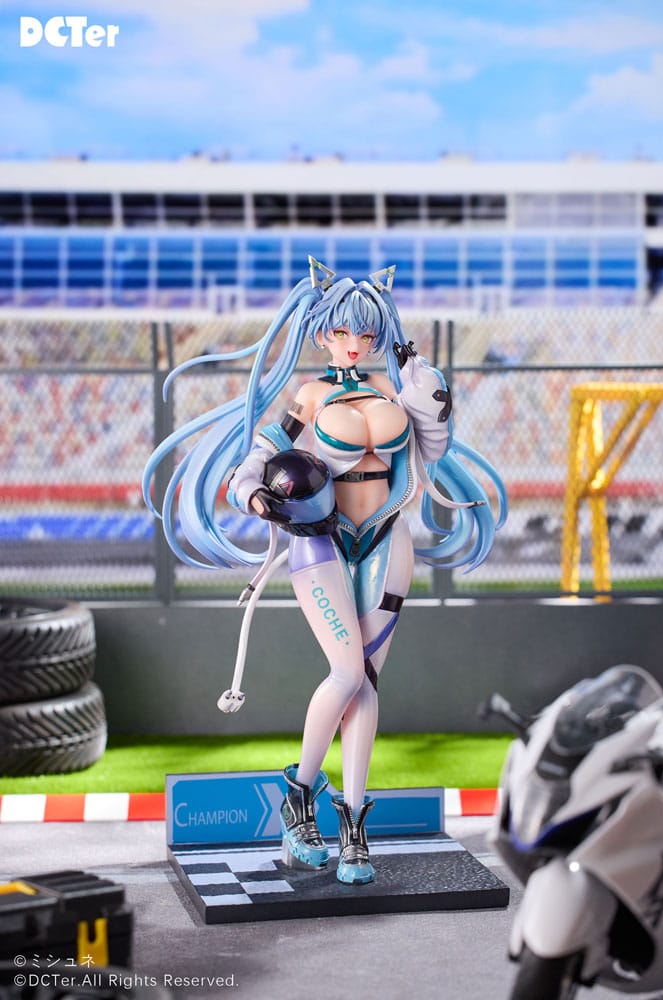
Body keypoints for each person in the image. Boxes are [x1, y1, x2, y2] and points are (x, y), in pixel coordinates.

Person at [143, 257, 507, 886]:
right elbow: (257, 458)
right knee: (346, 670)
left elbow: (433, 451)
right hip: (322, 539)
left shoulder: (394, 390)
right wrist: (251, 493)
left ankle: (353, 827)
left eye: (365, 333)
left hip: (387, 536)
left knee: (366, 682)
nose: (354, 343)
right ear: (321, 333)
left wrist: (431, 398)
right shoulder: (308, 397)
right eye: (342, 332)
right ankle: (299, 792)